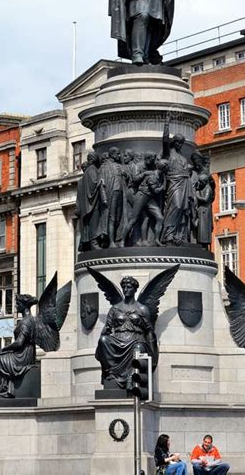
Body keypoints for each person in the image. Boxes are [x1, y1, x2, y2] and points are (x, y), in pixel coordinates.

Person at [95, 275, 157, 388]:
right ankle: (112, 373)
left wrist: (153, 352)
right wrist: (101, 341)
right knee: (103, 340)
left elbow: (149, 331)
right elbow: (107, 328)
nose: (126, 289)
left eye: (129, 287)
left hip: (136, 339)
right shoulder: (115, 308)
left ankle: (132, 376)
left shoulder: (142, 309)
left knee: (138, 347)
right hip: (118, 338)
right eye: (124, 287)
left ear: (135, 289)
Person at [0, 294, 38, 398]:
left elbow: (19, 343)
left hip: (22, 357)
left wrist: (3, 350)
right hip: (22, 354)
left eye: (18, 304)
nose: (16, 306)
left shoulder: (25, 322)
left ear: (24, 305)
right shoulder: (31, 320)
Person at [161, 115, 192, 245]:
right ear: (174, 142)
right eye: (178, 142)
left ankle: (177, 234)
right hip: (174, 183)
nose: (180, 144)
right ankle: (167, 234)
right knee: (176, 206)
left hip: (184, 183)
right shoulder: (168, 153)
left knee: (183, 209)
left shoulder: (183, 157)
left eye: (182, 142)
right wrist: (167, 123)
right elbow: (164, 140)